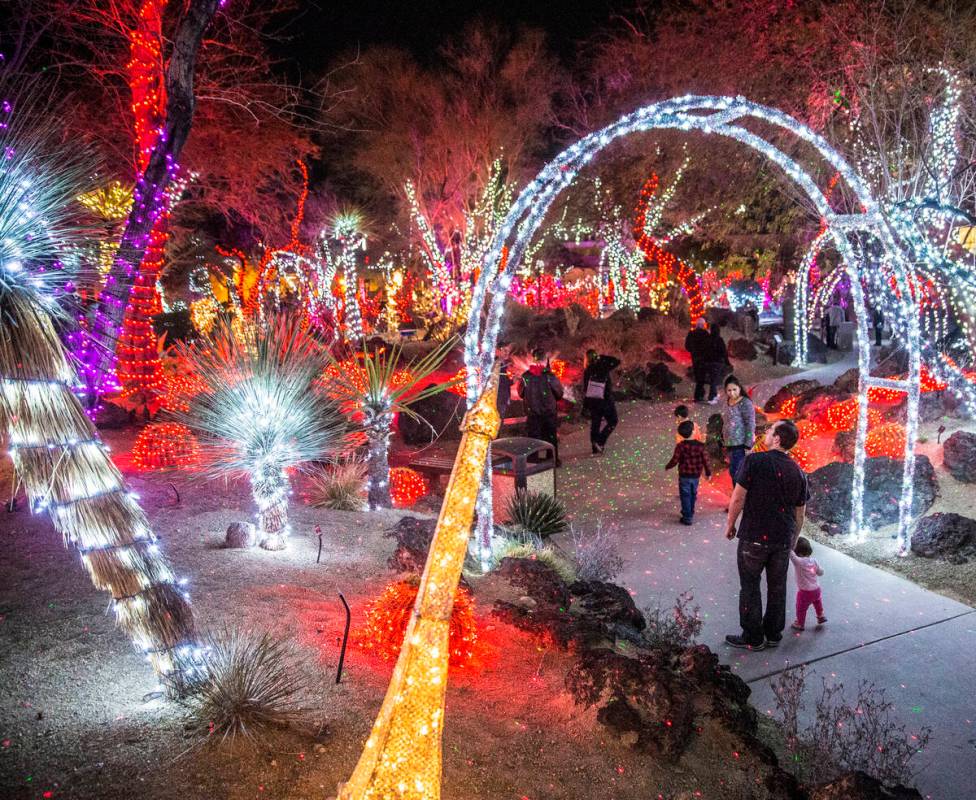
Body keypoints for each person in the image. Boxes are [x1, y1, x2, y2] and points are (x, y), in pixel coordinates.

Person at [724, 419, 809, 650]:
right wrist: (792, 540)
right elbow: (800, 513)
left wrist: (730, 524)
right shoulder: (799, 472)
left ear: (778, 438)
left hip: (754, 536)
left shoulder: (754, 461)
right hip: (781, 539)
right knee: (777, 586)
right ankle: (773, 633)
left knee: (750, 586)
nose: (767, 433)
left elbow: (738, 496)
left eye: (770, 431)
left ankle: (752, 636)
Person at [517, 347, 564, 466]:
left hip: (532, 413)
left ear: (534, 359)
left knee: (533, 439)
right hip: (549, 412)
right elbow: (559, 393)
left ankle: (533, 462)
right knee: (550, 437)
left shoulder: (526, 376)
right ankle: (552, 460)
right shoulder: (549, 376)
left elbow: (521, 393)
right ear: (544, 359)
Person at [665, 420, 711, 525]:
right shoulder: (701, 446)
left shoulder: (680, 446)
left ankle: (687, 516)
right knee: (693, 493)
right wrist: (708, 473)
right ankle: (691, 511)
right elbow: (706, 460)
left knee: (685, 495)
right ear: (694, 432)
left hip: (684, 475)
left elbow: (675, 460)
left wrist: (668, 466)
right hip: (695, 475)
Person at [583, 349, 620, 455]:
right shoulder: (603, 367)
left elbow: (585, 387)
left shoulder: (588, 370)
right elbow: (617, 361)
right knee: (613, 421)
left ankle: (595, 447)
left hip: (593, 401)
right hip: (605, 400)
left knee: (595, 423)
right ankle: (600, 441)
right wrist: (603, 357)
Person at [722, 375, 755, 486]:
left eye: (734, 389)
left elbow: (750, 424)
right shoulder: (728, 401)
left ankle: (739, 499)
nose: (732, 393)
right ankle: (737, 498)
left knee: (737, 472)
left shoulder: (745, 403)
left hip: (740, 443)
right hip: (729, 443)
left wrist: (748, 444)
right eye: (729, 390)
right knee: (734, 471)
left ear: (739, 388)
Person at [790, 536, 827, 632]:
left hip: (805, 592)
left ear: (798, 552)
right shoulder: (814, 561)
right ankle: (821, 616)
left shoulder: (799, 562)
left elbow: (791, 554)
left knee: (801, 608)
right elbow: (820, 572)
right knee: (817, 602)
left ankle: (800, 623)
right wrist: (820, 571)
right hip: (816, 589)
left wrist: (789, 545)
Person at [684, 318, 711, 402]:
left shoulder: (691, 333)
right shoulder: (706, 334)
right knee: (701, 377)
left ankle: (700, 393)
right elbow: (709, 345)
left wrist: (692, 351)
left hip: (695, 358)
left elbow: (687, 345)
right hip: (703, 358)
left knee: (698, 376)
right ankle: (698, 395)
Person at [705, 323, 729, 404]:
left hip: (709, 362)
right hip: (717, 362)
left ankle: (714, 394)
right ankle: (711, 397)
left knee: (713, 379)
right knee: (714, 380)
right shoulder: (719, 339)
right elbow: (724, 352)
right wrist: (726, 361)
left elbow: (705, 350)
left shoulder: (707, 339)